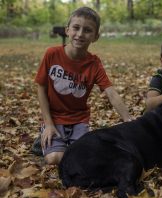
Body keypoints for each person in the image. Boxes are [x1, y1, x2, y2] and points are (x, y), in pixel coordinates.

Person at [33, 7, 131, 165]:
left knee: (81, 157)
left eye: (87, 30)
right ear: (67, 30)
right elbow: (41, 88)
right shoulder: (52, 54)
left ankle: (62, 142)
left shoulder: (94, 63)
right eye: (76, 28)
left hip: (79, 120)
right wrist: (49, 124)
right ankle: (45, 137)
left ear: (95, 36)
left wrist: (127, 119)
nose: (80, 34)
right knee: (54, 159)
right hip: (54, 117)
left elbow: (111, 93)